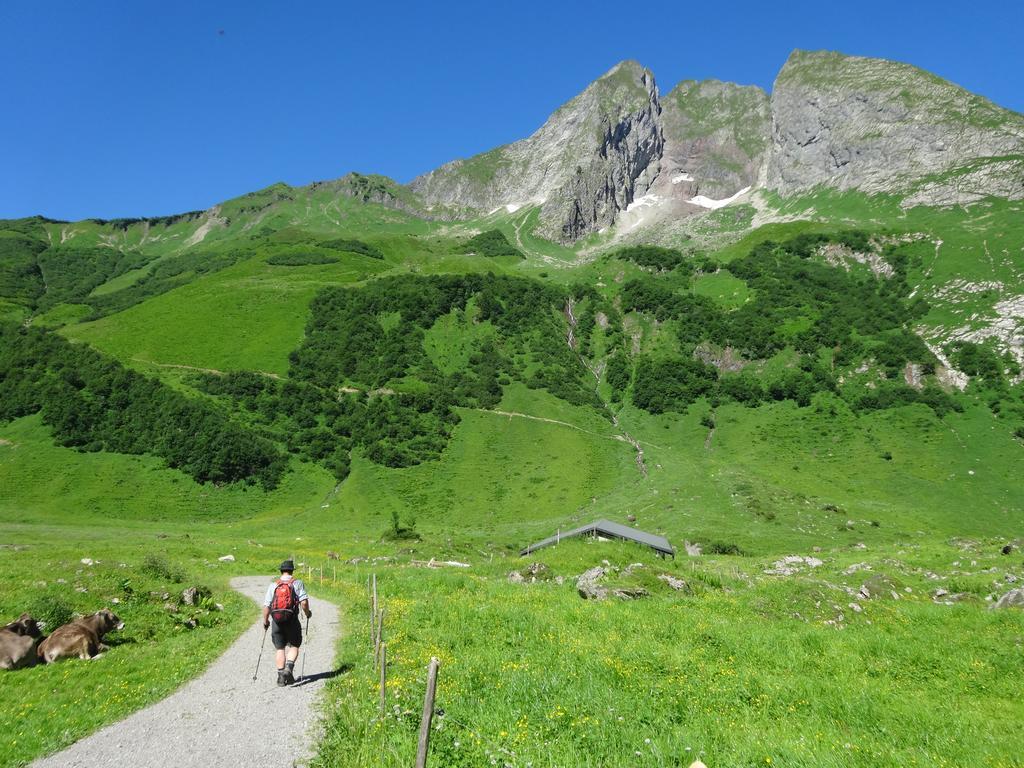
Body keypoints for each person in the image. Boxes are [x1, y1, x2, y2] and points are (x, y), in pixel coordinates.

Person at [262, 559, 312, 686]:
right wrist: (307, 613)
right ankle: (288, 669)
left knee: (280, 648)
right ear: (292, 571)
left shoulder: (274, 585)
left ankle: (280, 677)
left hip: (276, 621)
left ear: (281, 571)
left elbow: (267, 606)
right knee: (294, 645)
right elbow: (304, 602)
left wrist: (266, 621)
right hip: (292, 620)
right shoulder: (297, 583)